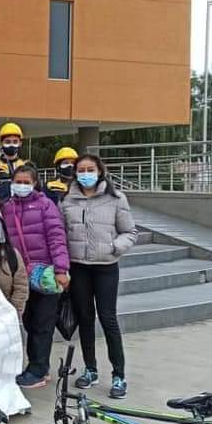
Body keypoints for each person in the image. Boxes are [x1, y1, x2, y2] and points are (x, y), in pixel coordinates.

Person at [61, 154, 137, 399]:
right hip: (79, 268)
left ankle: (119, 375)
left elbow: (130, 232)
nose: (86, 174)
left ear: (100, 171)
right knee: (85, 319)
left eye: (90, 169)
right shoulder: (67, 200)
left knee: (108, 318)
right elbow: (61, 233)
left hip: (106, 267)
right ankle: (90, 369)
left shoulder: (116, 198)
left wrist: (114, 247)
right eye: (81, 170)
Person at [2, 165, 70, 389]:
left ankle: (38, 370)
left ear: (34, 184)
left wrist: (61, 269)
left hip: (45, 274)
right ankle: (40, 365)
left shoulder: (45, 205)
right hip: (22, 275)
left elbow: (57, 238)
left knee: (43, 322)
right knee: (30, 321)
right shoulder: (7, 208)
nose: (21, 186)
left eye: (26, 182)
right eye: (18, 182)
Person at [0, 122, 28, 201]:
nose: (11, 145)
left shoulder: (26, 166)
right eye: (7, 142)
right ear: (1, 143)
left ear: (20, 143)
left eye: (15, 142)